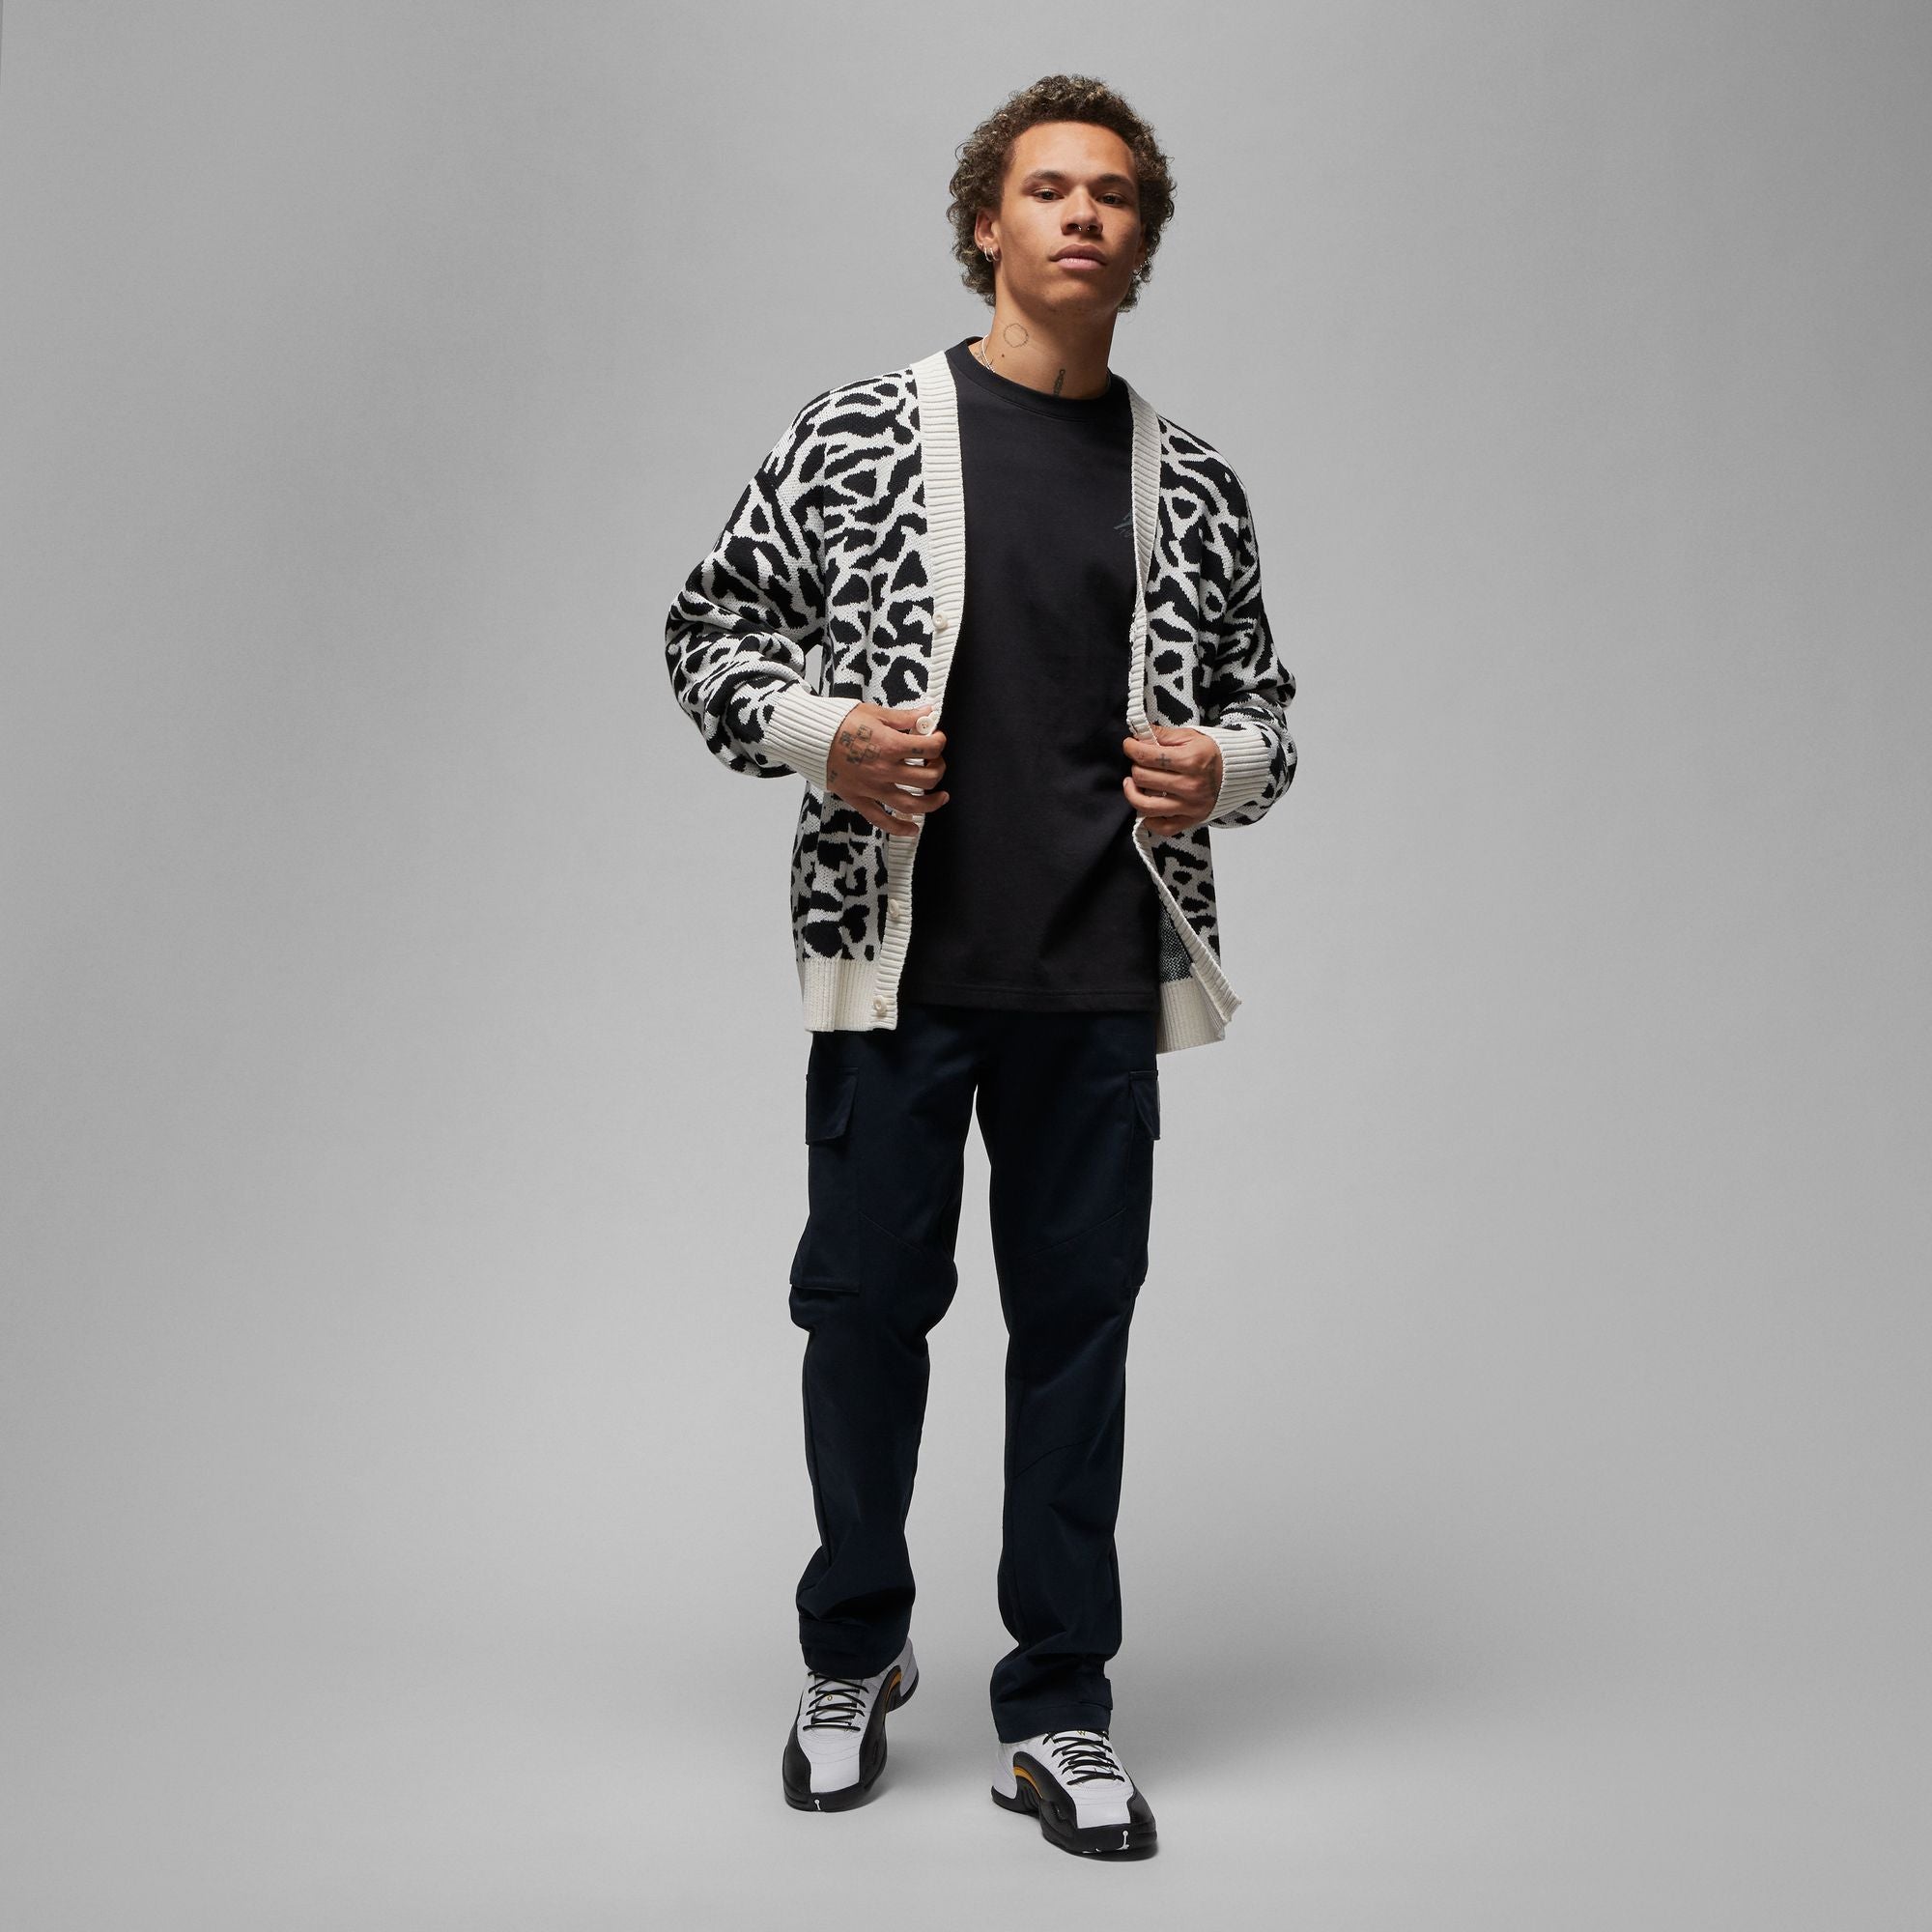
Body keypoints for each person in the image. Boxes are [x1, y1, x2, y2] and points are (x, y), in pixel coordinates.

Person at [664, 72, 1295, 1861]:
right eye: (1047, 189)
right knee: (864, 1318)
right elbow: (707, 630)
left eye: (1115, 195)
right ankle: (852, 1654)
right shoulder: (860, 434)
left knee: (1077, 1341)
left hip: (1097, 977)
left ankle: (1059, 1705)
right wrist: (826, 740)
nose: (1083, 214)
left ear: (1142, 244)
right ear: (984, 226)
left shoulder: (1194, 484)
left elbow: (1267, 712)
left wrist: (1225, 769)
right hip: (901, 971)